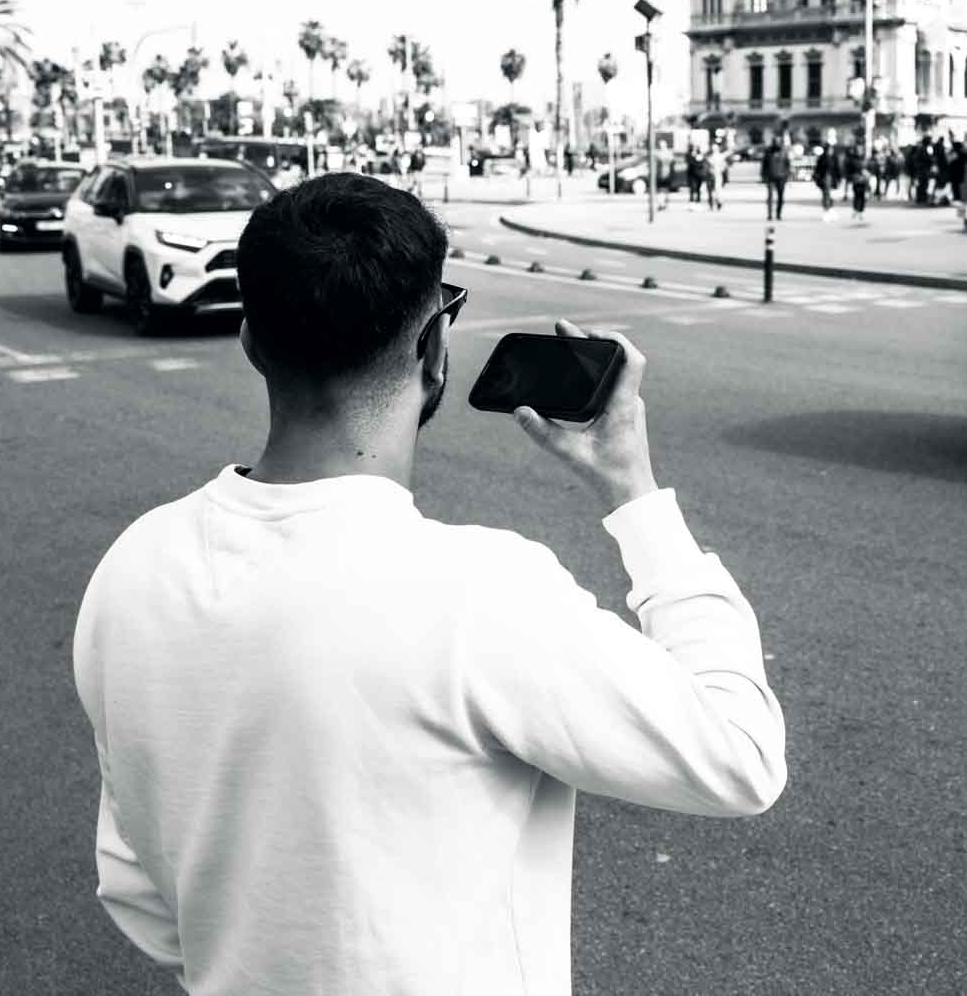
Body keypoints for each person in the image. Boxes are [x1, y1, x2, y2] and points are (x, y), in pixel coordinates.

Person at [70, 176, 783, 993]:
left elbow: (134, 885)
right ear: (433, 350)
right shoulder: (478, 593)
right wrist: (636, 492)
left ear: (251, 341)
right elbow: (742, 755)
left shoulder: (132, 565)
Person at [762, 134, 790, 221]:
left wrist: (787, 176)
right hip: (770, 176)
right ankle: (770, 214)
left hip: (781, 177)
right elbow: (764, 164)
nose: (776, 143)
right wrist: (763, 176)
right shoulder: (768, 151)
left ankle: (778, 214)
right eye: (775, 142)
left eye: (778, 142)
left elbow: (787, 164)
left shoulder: (784, 151)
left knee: (780, 197)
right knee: (770, 196)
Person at [815, 143, 839, 220]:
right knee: (826, 195)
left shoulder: (834, 158)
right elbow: (818, 170)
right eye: (830, 149)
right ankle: (827, 210)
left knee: (828, 195)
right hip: (824, 179)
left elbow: (837, 169)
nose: (831, 151)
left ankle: (829, 209)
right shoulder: (822, 158)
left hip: (831, 179)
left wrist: (839, 178)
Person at [848, 147, 871, 221]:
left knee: (862, 197)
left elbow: (868, 169)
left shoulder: (864, 160)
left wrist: (866, 174)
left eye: (860, 150)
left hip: (864, 181)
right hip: (856, 180)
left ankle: (861, 211)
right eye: (858, 150)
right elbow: (850, 170)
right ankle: (855, 209)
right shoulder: (853, 160)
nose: (859, 152)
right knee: (857, 196)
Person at [703, 145, 724, 212]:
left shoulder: (720, 157)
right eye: (712, 149)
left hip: (717, 175)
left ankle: (719, 203)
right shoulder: (709, 157)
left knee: (717, 190)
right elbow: (705, 166)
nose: (713, 150)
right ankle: (711, 205)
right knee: (709, 191)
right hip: (709, 176)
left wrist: (719, 170)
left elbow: (723, 166)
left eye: (715, 149)